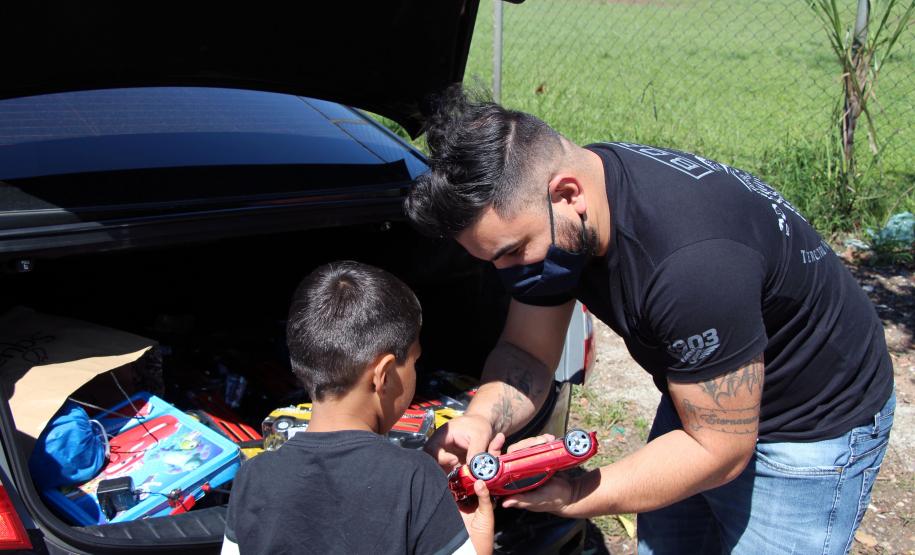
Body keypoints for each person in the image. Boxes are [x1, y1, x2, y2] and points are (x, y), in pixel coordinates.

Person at [404, 88, 895, 554]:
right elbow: (527, 354)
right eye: (492, 259)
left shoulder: (691, 266)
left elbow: (717, 451)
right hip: (705, 395)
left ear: (568, 193)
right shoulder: (567, 203)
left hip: (810, 422)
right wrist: (480, 417)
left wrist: (577, 494)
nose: (508, 271)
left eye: (513, 251)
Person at [221, 260, 498, 555]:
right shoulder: (415, 478)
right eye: (414, 362)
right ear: (384, 374)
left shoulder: (253, 477)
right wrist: (478, 542)